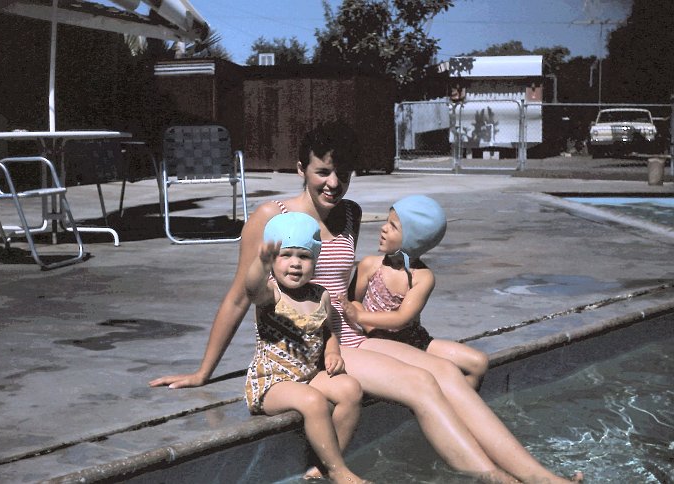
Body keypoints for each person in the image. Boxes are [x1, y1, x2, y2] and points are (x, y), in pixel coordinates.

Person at [150, 120, 582, 483]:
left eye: (343, 173)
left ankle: (541, 477)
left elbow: (345, 286)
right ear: (301, 168)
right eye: (322, 172)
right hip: (316, 351)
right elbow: (237, 299)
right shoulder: (271, 217)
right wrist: (202, 372)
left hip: (351, 335)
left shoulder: (351, 214)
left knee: (448, 373)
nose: (333, 183)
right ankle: (495, 480)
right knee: (420, 385)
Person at [243, 212, 366, 484]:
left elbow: (327, 330)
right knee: (313, 402)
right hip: (272, 383)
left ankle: (323, 466)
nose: (295, 264)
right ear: (272, 262)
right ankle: (337, 470)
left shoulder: (319, 294)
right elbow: (251, 290)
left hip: (308, 375)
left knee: (351, 389)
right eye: (285, 255)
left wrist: (333, 351)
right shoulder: (272, 294)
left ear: (315, 260)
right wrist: (260, 266)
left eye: (304, 256)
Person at [339, 194, 489, 389]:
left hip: (414, 339)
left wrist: (359, 315)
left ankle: (462, 402)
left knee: (479, 363)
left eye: (393, 226)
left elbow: (402, 318)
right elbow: (354, 300)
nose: (383, 228)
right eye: (387, 222)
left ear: (414, 239)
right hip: (377, 339)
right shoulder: (370, 265)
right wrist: (365, 324)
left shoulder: (422, 277)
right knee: (439, 371)